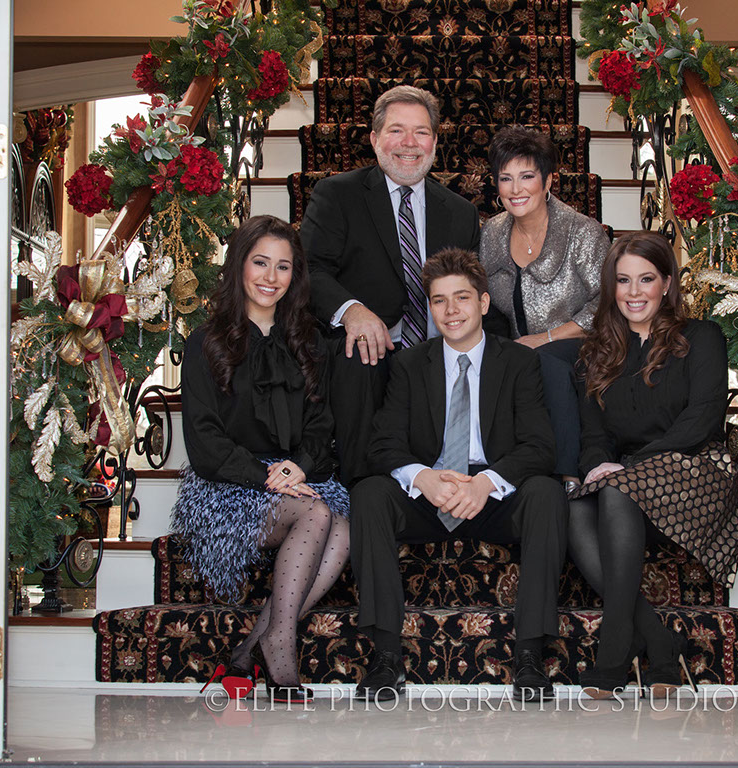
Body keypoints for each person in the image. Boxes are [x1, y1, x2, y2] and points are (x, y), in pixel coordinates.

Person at [348, 248, 567, 703]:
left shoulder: (519, 362)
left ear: (483, 303)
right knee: (370, 493)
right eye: (439, 300)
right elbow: (383, 445)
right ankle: (386, 657)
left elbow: (539, 447)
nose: (451, 310)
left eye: (462, 298)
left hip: (494, 495)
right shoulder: (409, 364)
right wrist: (423, 477)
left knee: (546, 493)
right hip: (431, 493)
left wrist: (487, 483)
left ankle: (529, 656)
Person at [172, 215, 350, 703]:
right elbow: (204, 440)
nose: (271, 277)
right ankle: (279, 644)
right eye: (260, 263)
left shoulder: (310, 341)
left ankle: (249, 649)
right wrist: (266, 475)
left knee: (343, 526)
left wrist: (301, 466)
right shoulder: (205, 341)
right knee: (318, 514)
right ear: (239, 265)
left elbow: (321, 424)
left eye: (283, 267)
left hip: (295, 476)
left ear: (296, 275)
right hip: (228, 483)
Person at [568, 231, 738, 699]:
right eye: (623, 280)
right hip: (629, 486)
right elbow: (594, 437)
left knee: (617, 490)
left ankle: (613, 651)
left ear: (666, 283)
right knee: (574, 509)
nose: (634, 292)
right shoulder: (596, 353)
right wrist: (598, 466)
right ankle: (659, 641)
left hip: (696, 471)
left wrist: (628, 469)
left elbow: (701, 421)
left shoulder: (701, 337)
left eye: (646, 279)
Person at [301, 85, 482, 487]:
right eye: (397, 130)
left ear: (434, 142)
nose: (409, 143)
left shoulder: (460, 212)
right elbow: (310, 268)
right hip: (371, 345)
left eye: (421, 132)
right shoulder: (338, 194)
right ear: (374, 139)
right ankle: (364, 492)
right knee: (359, 356)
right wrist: (352, 311)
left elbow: (471, 288)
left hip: (439, 344)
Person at [479, 126, 609, 489]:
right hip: (521, 347)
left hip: (584, 343)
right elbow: (485, 300)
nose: (515, 189)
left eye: (526, 176)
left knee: (546, 361)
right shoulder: (492, 233)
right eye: (505, 178)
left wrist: (546, 338)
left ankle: (568, 476)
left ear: (548, 180)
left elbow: (606, 303)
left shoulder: (582, 232)